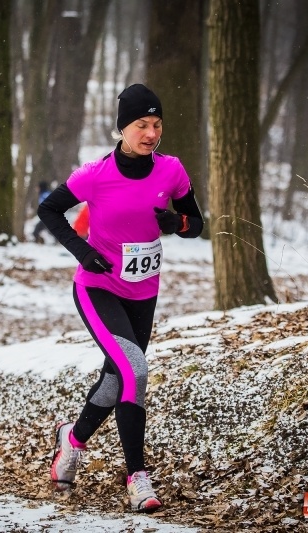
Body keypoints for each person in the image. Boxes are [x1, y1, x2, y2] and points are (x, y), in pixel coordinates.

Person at [37, 84, 204, 512]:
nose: (151, 134)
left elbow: (196, 223)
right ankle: (137, 479)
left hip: (143, 292)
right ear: (123, 128)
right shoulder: (95, 174)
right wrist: (82, 252)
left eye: (157, 125)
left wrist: (177, 223)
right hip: (98, 288)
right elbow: (48, 210)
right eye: (142, 125)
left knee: (118, 378)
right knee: (136, 370)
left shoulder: (171, 171)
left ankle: (71, 441)